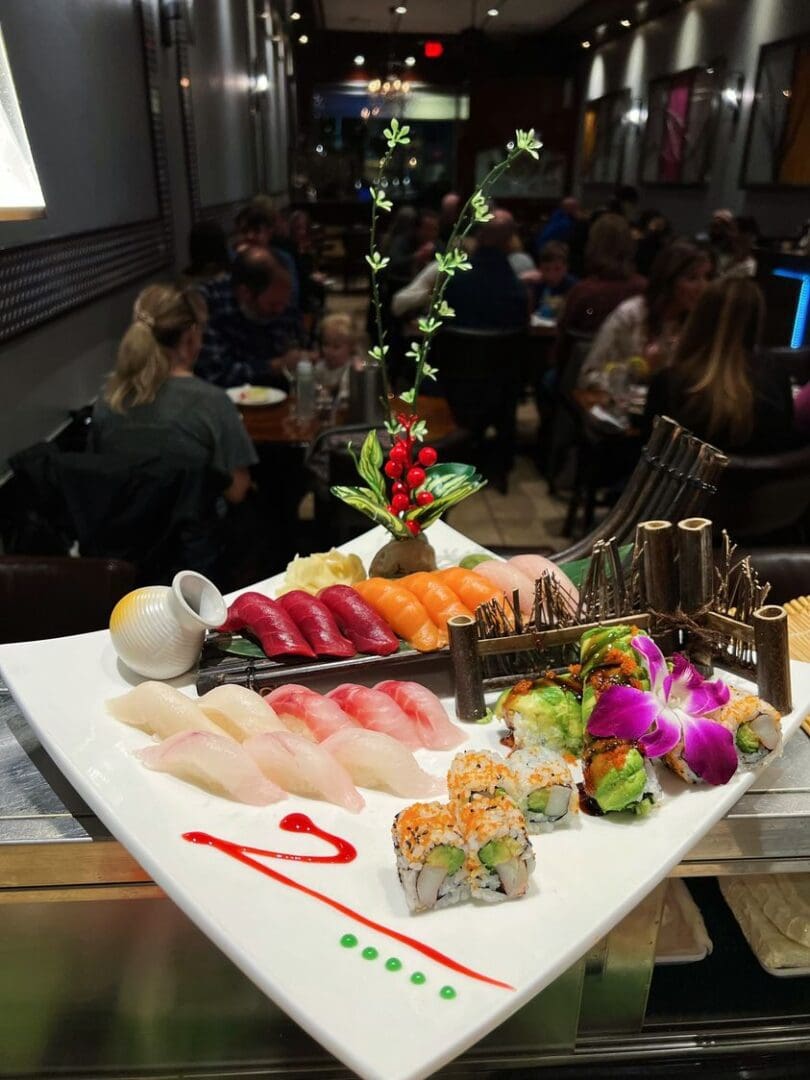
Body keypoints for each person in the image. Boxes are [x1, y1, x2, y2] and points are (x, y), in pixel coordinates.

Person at [93, 284, 257, 504]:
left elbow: (97, 475)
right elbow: (236, 491)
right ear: (191, 337)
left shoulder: (108, 399)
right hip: (193, 533)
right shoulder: (212, 402)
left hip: (124, 534)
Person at [644, 278, 798, 454]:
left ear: (699, 317)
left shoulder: (669, 383)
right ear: (756, 321)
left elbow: (649, 455)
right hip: (755, 482)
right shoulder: (776, 379)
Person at [578, 241, 714, 420]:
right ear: (668, 281)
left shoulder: (699, 323)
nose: (703, 287)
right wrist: (639, 367)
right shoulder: (631, 315)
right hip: (626, 418)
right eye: (692, 278)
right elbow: (588, 378)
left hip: (674, 419)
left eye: (708, 277)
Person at [195, 246, 301, 388]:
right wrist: (274, 367)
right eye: (273, 305)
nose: (281, 310)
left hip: (279, 400)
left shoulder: (282, 296)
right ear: (245, 293)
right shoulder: (208, 303)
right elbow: (214, 374)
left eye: (285, 303)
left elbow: (298, 345)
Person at [554, 213, 646, 342]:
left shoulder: (582, 292)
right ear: (630, 245)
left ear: (592, 245)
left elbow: (562, 339)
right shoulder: (644, 290)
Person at [443, 215, 529, 331]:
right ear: (509, 243)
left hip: (459, 347)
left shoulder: (453, 279)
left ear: (478, 237)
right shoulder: (518, 290)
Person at [313, 313, 361, 402]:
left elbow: (346, 395)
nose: (329, 351)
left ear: (351, 347)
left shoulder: (352, 368)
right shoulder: (321, 366)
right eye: (326, 344)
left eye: (336, 346)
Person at [532, 241, 578, 319]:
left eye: (557, 269)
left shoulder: (573, 287)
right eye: (546, 269)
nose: (551, 275)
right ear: (540, 268)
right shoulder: (537, 284)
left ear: (566, 268)